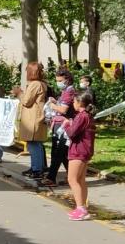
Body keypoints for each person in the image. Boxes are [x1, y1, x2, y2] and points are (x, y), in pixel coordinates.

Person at [12, 62, 48, 180]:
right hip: (34, 117)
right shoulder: (40, 83)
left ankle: (37, 169)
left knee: (34, 144)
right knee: (35, 144)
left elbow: (27, 101)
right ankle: (36, 167)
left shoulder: (35, 84)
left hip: (33, 119)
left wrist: (19, 93)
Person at [64, 91, 97, 221]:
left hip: (78, 151)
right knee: (81, 179)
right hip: (84, 150)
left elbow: (72, 133)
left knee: (72, 179)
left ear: (80, 103)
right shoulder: (87, 116)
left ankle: (80, 208)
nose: (72, 103)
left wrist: (67, 125)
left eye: (74, 101)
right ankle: (82, 207)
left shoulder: (82, 116)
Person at [42, 69, 76, 187]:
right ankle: (71, 177)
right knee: (63, 153)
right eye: (57, 80)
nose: (58, 83)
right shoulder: (66, 91)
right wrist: (56, 102)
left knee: (57, 152)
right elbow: (63, 105)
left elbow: (63, 109)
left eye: (60, 81)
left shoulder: (68, 92)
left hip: (63, 126)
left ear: (67, 80)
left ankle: (51, 178)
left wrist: (52, 105)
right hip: (61, 125)